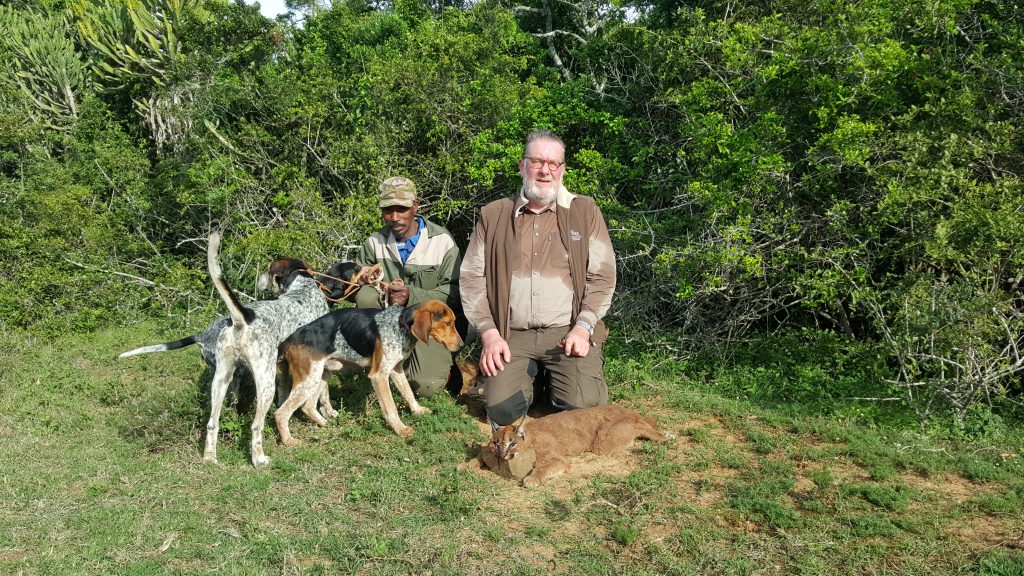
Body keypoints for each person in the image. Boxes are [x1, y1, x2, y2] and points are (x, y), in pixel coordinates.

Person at [460, 129, 617, 425]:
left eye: (553, 163)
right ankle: (528, 376)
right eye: (536, 161)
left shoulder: (585, 211)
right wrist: (490, 334)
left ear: (562, 170)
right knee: (502, 412)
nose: (545, 170)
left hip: (566, 331)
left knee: (584, 405)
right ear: (522, 166)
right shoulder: (493, 214)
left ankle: (555, 380)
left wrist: (583, 327)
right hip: (511, 333)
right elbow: (471, 278)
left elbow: (603, 277)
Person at [352, 176, 463, 397]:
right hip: (387, 326)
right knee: (364, 296)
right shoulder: (374, 242)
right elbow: (354, 292)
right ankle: (375, 360)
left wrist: (412, 295)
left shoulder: (441, 242)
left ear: (415, 206)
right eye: (388, 210)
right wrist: (360, 280)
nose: (394, 217)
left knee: (426, 386)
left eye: (401, 209)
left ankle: (449, 371)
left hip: (426, 327)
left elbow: (454, 293)